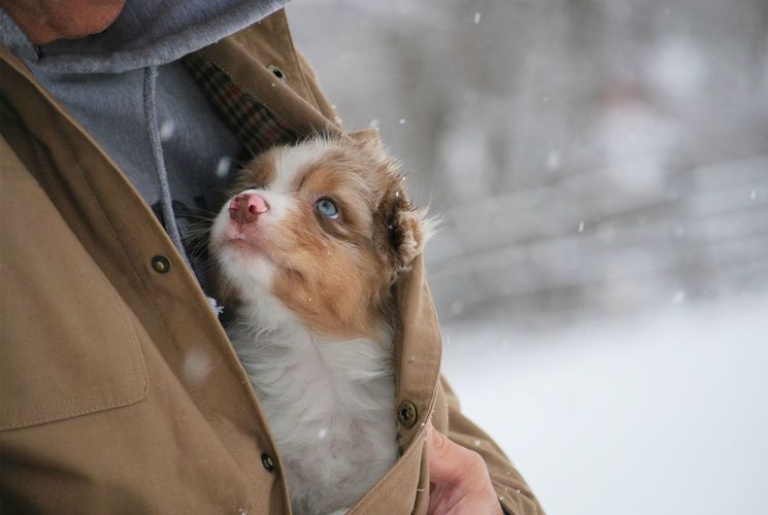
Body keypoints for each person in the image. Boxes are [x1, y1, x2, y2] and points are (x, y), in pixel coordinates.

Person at [0, 1, 544, 514]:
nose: (247, 203)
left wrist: (498, 501)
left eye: (325, 206)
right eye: (253, 185)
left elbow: (434, 412)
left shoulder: (237, 40)